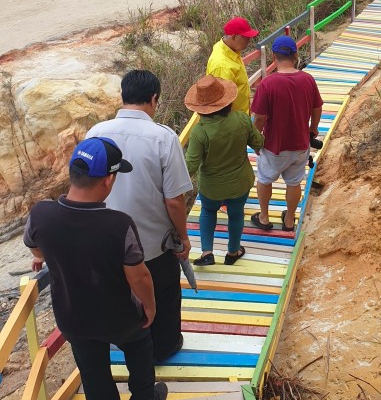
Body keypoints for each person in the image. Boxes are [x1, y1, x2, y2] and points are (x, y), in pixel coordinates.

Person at [23, 138, 168, 400]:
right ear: (108, 180)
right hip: (120, 315)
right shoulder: (118, 224)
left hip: (73, 317)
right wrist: (150, 307)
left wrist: (41, 258)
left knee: (92, 371)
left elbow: (34, 247)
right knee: (139, 346)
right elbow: (138, 276)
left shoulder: (41, 214)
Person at [89, 70, 192, 364]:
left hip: (105, 243)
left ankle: (127, 346)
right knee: (163, 293)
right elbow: (173, 199)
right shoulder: (163, 138)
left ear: (123, 96)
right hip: (152, 244)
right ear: (154, 99)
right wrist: (183, 237)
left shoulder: (95, 133)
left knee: (119, 293)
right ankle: (164, 347)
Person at [185, 75, 264, 266]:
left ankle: (207, 253)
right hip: (239, 182)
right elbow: (258, 143)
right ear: (227, 101)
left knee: (208, 212)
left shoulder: (199, 132)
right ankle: (233, 251)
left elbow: (190, 166)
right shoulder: (242, 119)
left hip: (211, 187)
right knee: (236, 214)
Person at [251, 36, 323, 233]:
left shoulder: (267, 84)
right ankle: (289, 220)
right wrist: (313, 128)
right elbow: (317, 107)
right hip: (300, 144)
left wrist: (256, 141)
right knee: (293, 182)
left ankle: (264, 218)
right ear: (295, 55)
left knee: (265, 179)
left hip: (274, 146)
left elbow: (259, 119)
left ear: (274, 56)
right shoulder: (308, 79)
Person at [206, 17, 259, 115]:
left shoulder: (230, 49)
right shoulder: (222, 66)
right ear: (234, 37)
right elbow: (222, 105)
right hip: (235, 123)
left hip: (242, 115)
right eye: (246, 38)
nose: (249, 41)